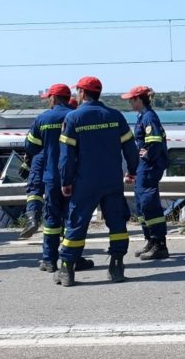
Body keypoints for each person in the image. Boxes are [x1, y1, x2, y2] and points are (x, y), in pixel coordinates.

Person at [56, 76, 139, 287]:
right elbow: (131, 148)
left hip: (85, 182)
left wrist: (66, 180)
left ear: (82, 93)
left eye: (77, 91)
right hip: (112, 180)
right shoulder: (115, 116)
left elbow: (66, 156)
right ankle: (117, 266)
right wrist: (132, 171)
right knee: (117, 223)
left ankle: (67, 270)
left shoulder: (73, 118)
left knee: (77, 223)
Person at [24, 83, 93, 273]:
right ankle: (73, 259)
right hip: (75, 176)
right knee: (73, 219)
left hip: (51, 177)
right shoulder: (76, 116)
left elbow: (31, 147)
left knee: (52, 219)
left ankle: (49, 260)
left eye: (49, 97)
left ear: (53, 98)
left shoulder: (43, 118)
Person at [121, 85, 170, 260]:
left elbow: (155, 142)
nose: (129, 102)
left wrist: (147, 155)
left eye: (131, 99)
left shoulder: (149, 117)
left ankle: (159, 244)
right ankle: (150, 240)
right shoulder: (143, 116)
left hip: (150, 166)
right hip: (144, 166)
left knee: (149, 203)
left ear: (139, 100)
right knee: (141, 204)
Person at [19, 151, 45, 238]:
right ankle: (61, 224)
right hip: (61, 157)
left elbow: (31, 144)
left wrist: (27, 159)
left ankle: (32, 220)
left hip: (40, 156)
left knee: (34, 189)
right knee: (55, 191)